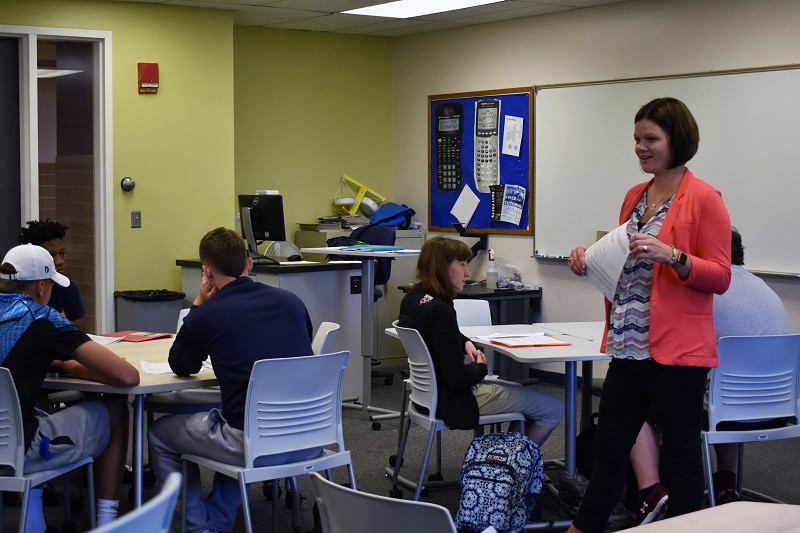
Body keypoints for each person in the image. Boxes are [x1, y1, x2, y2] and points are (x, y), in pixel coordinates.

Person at [566, 97, 732, 532]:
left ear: (677, 140)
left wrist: (673, 255)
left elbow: (720, 276)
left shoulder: (705, 198)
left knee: (679, 454)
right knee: (609, 448)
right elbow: (623, 260)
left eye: (650, 139)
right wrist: (588, 257)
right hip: (627, 343)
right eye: (637, 139)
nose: (640, 147)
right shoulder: (634, 197)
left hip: (677, 352)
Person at [147, 227, 316, 533]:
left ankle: (195, 526)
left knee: (161, 433)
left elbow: (181, 365)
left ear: (206, 272)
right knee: (237, 419)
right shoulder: (292, 302)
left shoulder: (207, 315)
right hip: (311, 436)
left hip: (253, 442)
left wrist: (198, 303)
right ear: (249, 265)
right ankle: (220, 518)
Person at [627, 226, 788, 517]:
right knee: (726, 386)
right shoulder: (767, 291)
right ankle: (726, 481)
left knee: (633, 398)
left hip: (722, 409)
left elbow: (663, 346)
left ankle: (651, 492)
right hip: (777, 407)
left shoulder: (704, 291)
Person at [0, 243, 140, 530]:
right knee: (114, 408)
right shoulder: (42, 318)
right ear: (41, 287)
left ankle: (33, 513)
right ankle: (106, 523)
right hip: (16, 450)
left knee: (34, 412)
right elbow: (127, 377)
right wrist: (64, 362)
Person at [398, 236, 563, 446]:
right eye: (462, 264)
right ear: (442, 267)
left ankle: (504, 461)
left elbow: (442, 337)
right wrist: (481, 367)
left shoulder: (414, 299)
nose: (467, 272)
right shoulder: (441, 311)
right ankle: (507, 468)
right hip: (455, 400)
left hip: (427, 396)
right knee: (552, 408)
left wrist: (465, 342)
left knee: (522, 395)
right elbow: (457, 377)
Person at [18, 219, 86, 331]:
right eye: (51, 255)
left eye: (62, 253)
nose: (60, 261)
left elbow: (79, 335)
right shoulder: (17, 291)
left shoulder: (67, 288)